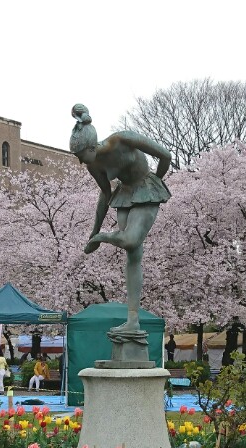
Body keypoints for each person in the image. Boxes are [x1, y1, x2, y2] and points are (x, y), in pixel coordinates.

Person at [71, 104, 171, 338]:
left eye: (81, 155)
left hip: (146, 187)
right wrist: (92, 231)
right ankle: (132, 319)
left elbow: (165, 155)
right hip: (124, 195)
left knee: (130, 240)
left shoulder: (122, 139)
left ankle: (105, 236)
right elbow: (105, 195)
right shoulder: (92, 165)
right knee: (133, 255)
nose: (80, 161)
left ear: (92, 146)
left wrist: (157, 182)